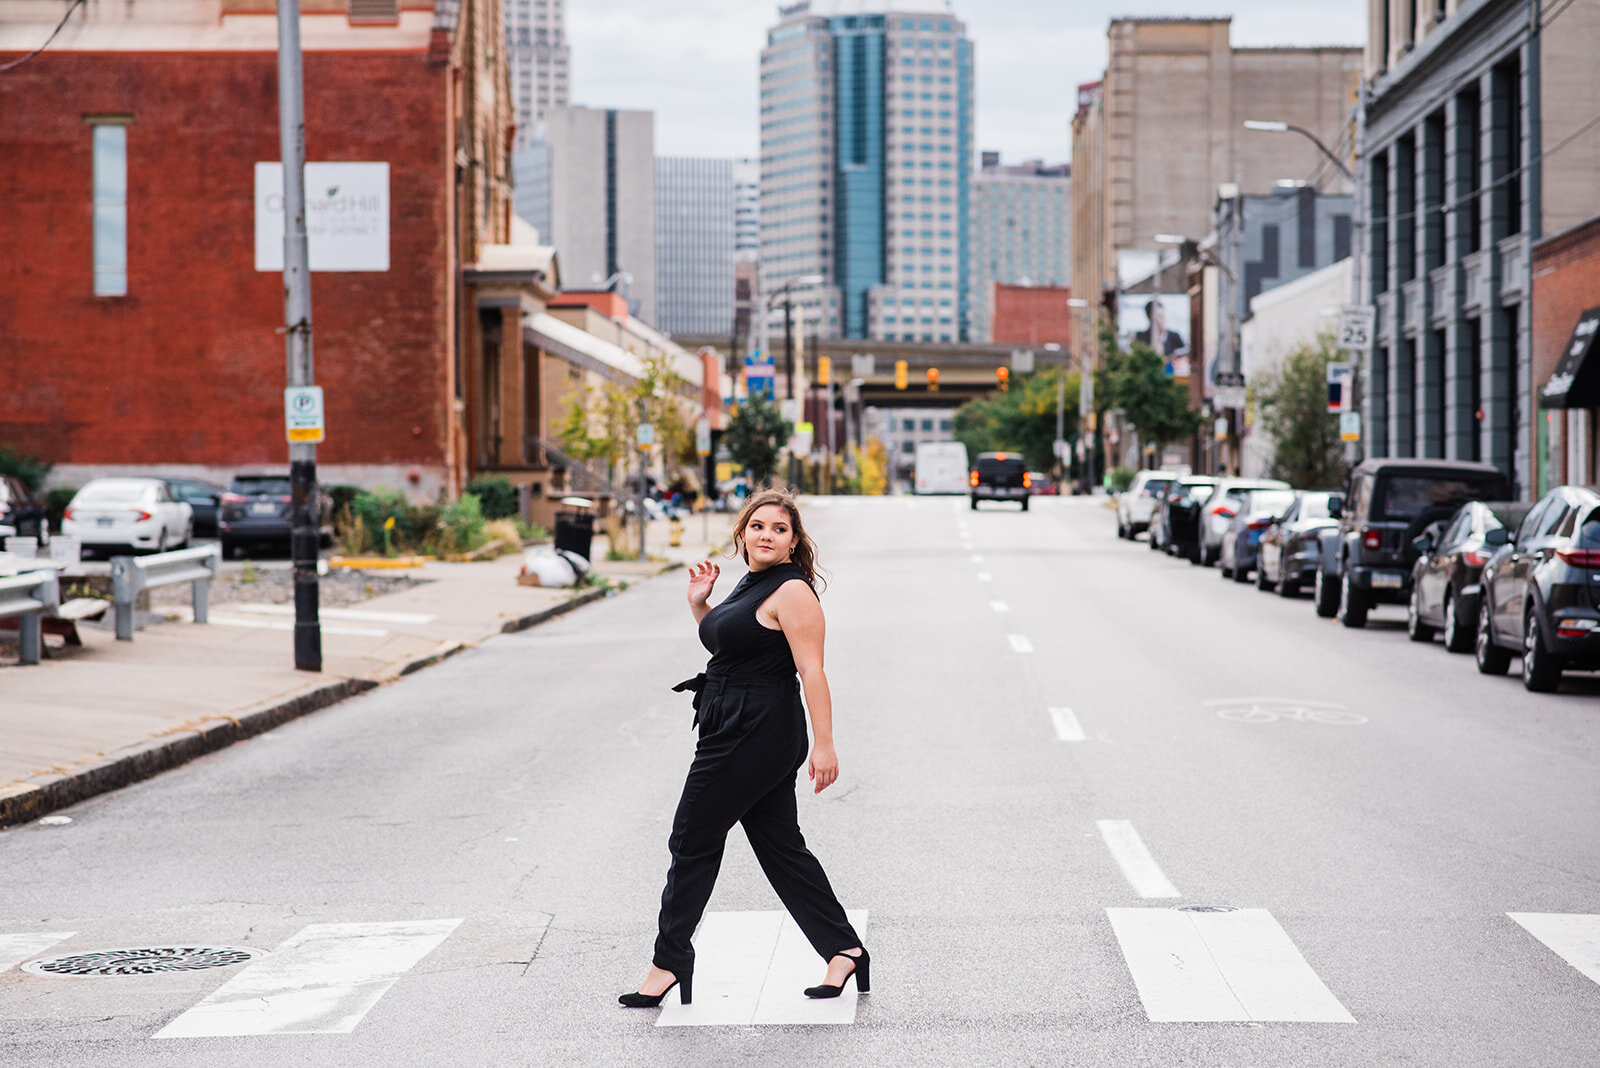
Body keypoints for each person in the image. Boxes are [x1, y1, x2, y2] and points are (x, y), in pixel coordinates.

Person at [619, 488, 868, 1009]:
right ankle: (844, 949)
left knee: (692, 837)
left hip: (756, 729)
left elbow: (812, 671)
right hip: (737, 724)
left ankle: (668, 962)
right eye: (758, 526)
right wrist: (700, 605)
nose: (766, 536)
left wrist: (825, 745)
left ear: (794, 540)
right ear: (742, 533)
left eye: (779, 529)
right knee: (781, 848)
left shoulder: (793, 591)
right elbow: (731, 648)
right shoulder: (752, 583)